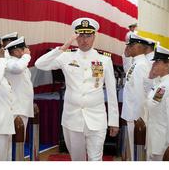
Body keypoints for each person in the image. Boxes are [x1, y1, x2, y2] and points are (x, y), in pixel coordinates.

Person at [35, 17, 119, 161]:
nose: (84, 40)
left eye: (88, 36)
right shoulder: (66, 57)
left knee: (95, 159)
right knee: (77, 160)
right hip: (72, 119)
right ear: (75, 36)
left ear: (94, 36)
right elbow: (39, 64)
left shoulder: (105, 60)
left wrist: (114, 121)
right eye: (80, 36)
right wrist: (63, 47)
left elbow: (111, 93)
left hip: (97, 118)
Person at [121, 33, 153, 161]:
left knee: (137, 154)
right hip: (131, 114)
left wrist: (139, 118)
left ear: (141, 47)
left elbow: (141, 94)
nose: (129, 48)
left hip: (136, 116)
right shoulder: (136, 64)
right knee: (131, 153)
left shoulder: (141, 65)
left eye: (132, 45)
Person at [5, 36, 34, 133]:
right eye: (24, 49)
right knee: (9, 143)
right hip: (15, 108)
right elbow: (17, 69)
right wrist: (26, 56)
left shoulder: (20, 62)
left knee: (20, 140)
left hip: (22, 107)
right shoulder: (9, 61)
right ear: (16, 52)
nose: (28, 51)